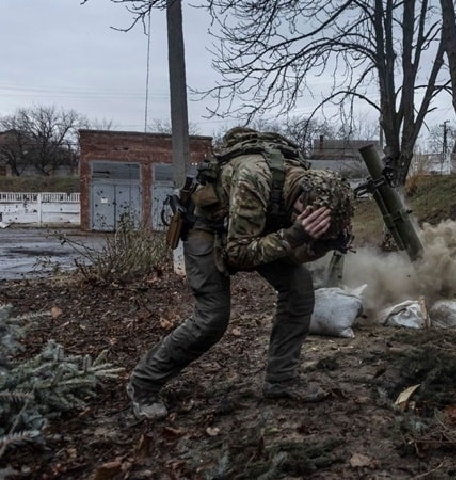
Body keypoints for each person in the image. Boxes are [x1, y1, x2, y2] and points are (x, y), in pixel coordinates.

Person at [126, 127, 355, 420]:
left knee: (299, 291)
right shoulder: (253, 179)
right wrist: (295, 234)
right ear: (300, 205)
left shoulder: (315, 187)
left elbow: (293, 251)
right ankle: (144, 384)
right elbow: (239, 254)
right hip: (208, 228)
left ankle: (281, 381)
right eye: (311, 224)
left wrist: (322, 244)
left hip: (257, 230)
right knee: (213, 317)